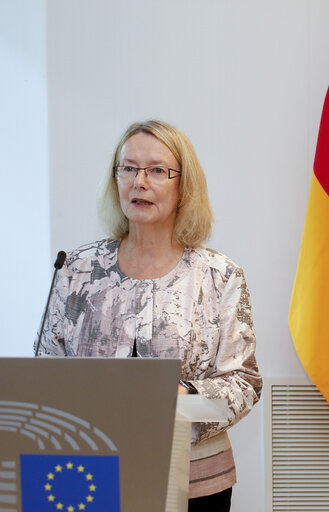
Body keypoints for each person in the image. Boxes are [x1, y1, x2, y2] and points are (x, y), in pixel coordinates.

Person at [36, 120, 262, 512]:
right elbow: (46, 371)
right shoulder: (76, 268)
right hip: (89, 472)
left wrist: (180, 396)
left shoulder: (219, 275)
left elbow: (244, 382)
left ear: (183, 187)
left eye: (157, 170)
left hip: (195, 482)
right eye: (128, 168)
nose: (139, 181)